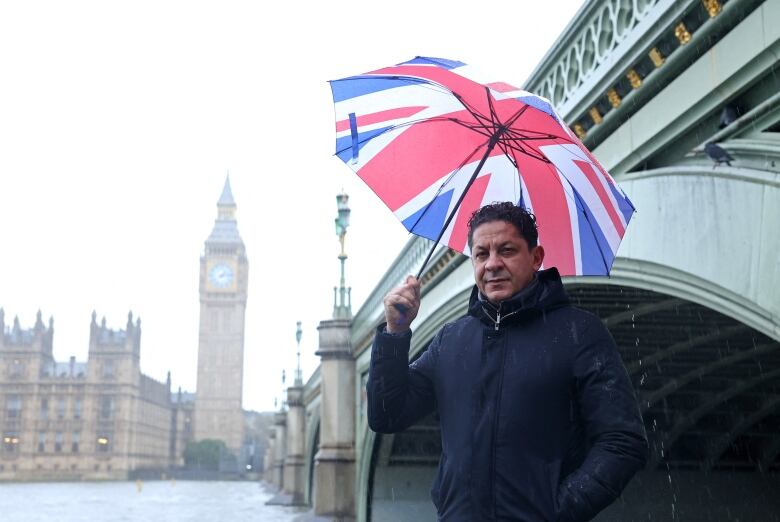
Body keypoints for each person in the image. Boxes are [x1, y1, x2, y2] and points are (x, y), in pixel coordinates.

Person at [367, 202, 648, 522]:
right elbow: (387, 415)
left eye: (507, 250)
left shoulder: (578, 333)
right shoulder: (450, 340)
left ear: (536, 257)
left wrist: (558, 511)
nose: (492, 264)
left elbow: (623, 442)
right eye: (481, 254)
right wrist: (395, 334)